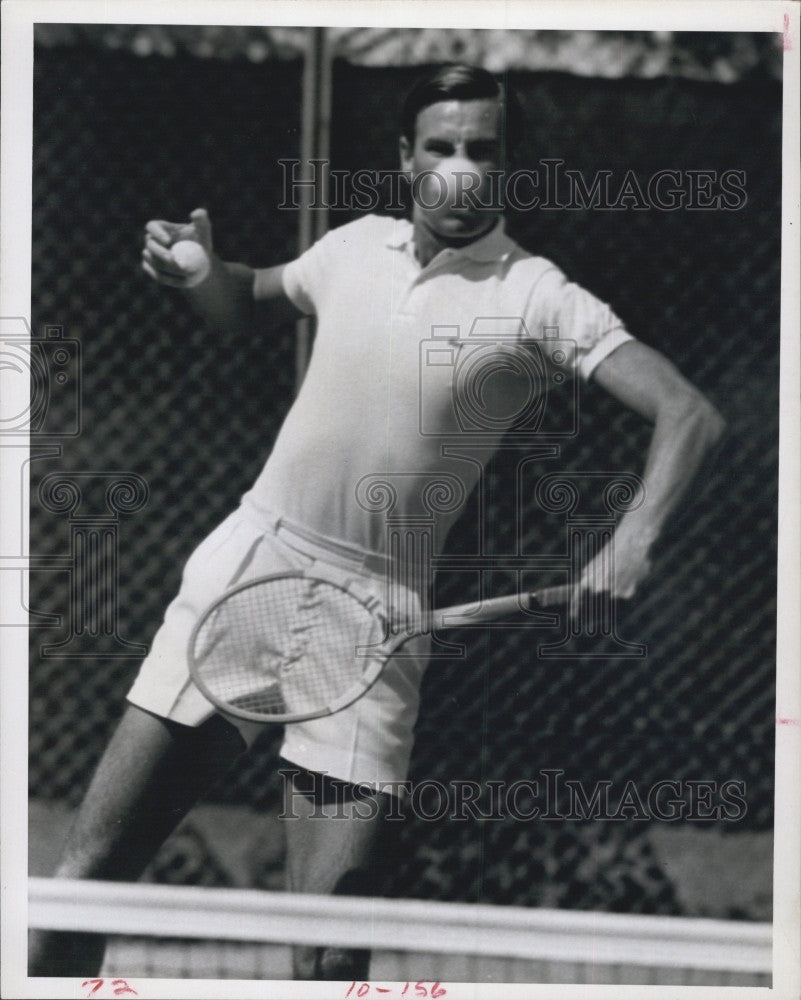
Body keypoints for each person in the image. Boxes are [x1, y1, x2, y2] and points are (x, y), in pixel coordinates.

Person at [29, 63, 724, 980]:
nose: (462, 168)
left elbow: (688, 412)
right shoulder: (351, 247)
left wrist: (630, 539)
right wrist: (197, 269)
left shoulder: (539, 295)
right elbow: (244, 297)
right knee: (89, 879)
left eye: (485, 150)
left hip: (376, 624)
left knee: (327, 955)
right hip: (251, 572)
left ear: (510, 168)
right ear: (406, 158)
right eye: (442, 146)